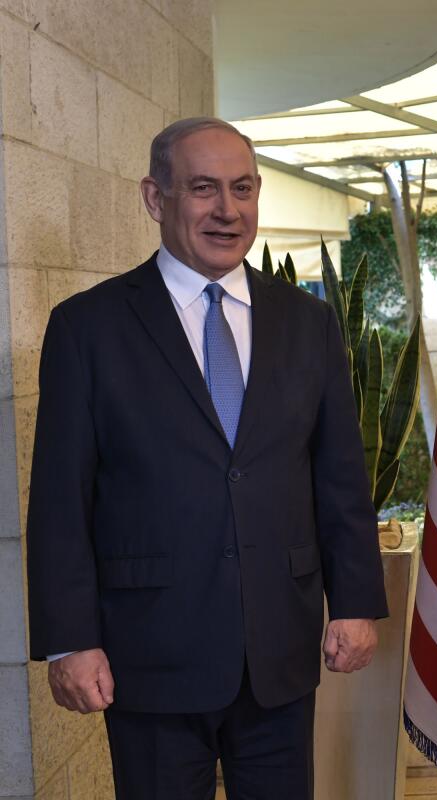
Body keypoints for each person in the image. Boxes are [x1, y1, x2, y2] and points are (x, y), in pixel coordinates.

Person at [25, 117, 388, 799]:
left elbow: (339, 475)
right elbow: (60, 500)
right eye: (203, 189)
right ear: (155, 198)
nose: (228, 210)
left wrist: (356, 602)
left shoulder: (308, 323)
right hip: (149, 653)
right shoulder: (88, 328)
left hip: (279, 652)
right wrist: (70, 641)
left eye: (243, 189)